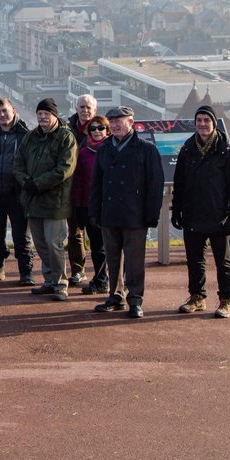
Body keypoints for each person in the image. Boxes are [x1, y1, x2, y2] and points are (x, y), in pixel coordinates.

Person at [90, 106, 165, 319]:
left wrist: (152, 214)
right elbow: (96, 183)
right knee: (113, 259)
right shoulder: (104, 149)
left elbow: (155, 184)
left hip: (135, 213)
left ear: (131, 122)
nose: (114, 125)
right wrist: (94, 211)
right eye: (112, 122)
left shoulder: (146, 149)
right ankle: (115, 296)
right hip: (110, 212)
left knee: (134, 261)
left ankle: (135, 300)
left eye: (119, 121)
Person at [172, 105, 230, 319]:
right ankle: (197, 297)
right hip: (193, 214)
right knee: (194, 260)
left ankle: (227, 300)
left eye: (206, 120)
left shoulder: (226, 151)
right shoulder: (187, 149)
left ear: (214, 123)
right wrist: (176, 210)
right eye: (199, 120)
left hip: (219, 216)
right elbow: (179, 183)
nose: (202, 124)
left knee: (224, 262)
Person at [14, 98, 78, 301]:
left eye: (46, 114)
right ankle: (49, 279)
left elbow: (64, 169)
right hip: (32, 199)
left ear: (54, 115)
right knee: (40, 243)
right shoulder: (30, 136)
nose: (42, 117)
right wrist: (26, 182)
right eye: (40, 113)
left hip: (55, 202)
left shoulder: (66, 137)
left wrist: (39, 184)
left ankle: (60, 283)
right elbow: (18, 163)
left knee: (54, 244)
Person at [0, 98, 34, 285]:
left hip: (17, 194)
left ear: (13, 110)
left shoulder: (25, 134)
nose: (2, 115)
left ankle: (26, 272)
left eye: (5, 110)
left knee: (21, 236)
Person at [68, 114, 110, 294]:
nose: (97, 131)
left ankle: (110, 281)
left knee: (109, 247)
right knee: (96, 247)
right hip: (88, 206)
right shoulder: (84, 152)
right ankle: (101, 279)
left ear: (107, 130)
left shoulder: (111, 149)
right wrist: (78, 206)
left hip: (108, 206)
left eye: (100, 128)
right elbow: (78, 181)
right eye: (92, 128)